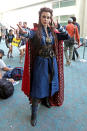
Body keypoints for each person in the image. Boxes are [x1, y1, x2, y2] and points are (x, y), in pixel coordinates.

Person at [17, 7, 69, 126]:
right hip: (40, 63)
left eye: (48, 17)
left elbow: (66, 36)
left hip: (52, 62)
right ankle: (34, 112)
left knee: (51, 82)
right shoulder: (36, 31)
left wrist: (59, 26)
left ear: (51, 19)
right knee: (38, 85)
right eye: (44, 17)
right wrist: (22, 32)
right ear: (40, 18)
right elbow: (28, 34)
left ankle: (46, 99)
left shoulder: (53, 32)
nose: (46, 19)